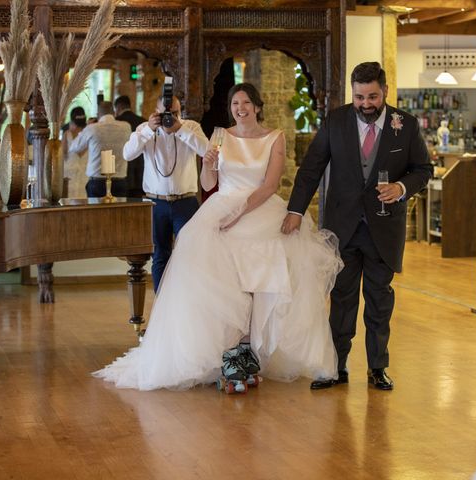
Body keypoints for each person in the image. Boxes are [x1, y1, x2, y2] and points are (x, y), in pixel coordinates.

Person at [94, 83, 342, 390]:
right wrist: (208, 165)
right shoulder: (220, 135)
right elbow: (208, 181)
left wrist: (239, 212)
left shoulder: (274, 137)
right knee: (225, 286)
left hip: (260, 211)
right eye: (235, 103)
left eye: (246, 102)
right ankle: (229, 357)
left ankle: (251, 355)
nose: (240, 108)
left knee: (262, 286)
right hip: (221, 208)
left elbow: (270, 186)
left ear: (257, 106)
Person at [282, 61, 433, 391]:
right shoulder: (336, 121)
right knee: (341, 300)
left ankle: (378, 368)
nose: (366, 104)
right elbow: (311, 169)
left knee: (380, 302)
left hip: (384, 228)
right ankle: (335, 367)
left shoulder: (404, 125)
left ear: (386, 92)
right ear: (352, 93)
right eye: (359, 97)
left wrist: (401, 187)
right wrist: (295, 210)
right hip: (343, 227)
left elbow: (423, 169)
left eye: (373, 97)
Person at [121, 94, 208, 292]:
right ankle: (162, 306)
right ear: (156, 112)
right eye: (165, 113)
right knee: (160, 255)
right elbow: (128, 154)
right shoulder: (144, 129)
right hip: (155, 203)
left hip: (185, 202)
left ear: (180, 111)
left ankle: (187, 302)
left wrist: (180, 130)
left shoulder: (191, 127)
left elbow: (206, 151)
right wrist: (149, 130)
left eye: (175, 113)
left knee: (190, 254)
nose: (170, 117)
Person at [68, 101, 131, 198]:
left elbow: (74, 147)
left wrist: (86, 128)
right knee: (118, 212)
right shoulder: (126, 127)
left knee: (96, 212)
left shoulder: (92, 128)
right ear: (114, 112)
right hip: (119, 180)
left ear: (98, 114)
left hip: (97, 181)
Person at [114, 95, 146, 198]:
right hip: (140, 171)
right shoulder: (143, 121)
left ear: (118, 108)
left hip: (122, 171)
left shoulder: (116, 122)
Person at [62, 106, 88, 198]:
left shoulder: (67, 133)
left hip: (68, 169)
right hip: (84, 170)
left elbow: (63, 153)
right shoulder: (88, 133)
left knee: (68, 196)